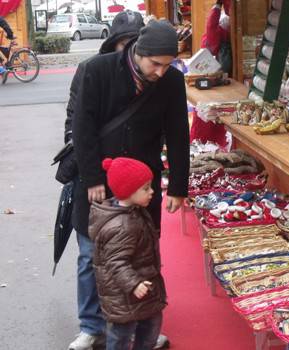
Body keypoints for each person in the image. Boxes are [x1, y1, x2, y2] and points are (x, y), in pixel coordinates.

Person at [68, 15, 185, 350]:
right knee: (92, 254)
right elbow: (82, 127)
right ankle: (92, 326)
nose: (161, 71)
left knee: (143, 255)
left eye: (168, 64)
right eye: (155, 64)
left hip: (142, 183)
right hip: (98, 179)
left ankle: (142, 324)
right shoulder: (97, 69)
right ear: (139, 52)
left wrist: (179, 185)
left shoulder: (172, 81)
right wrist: (91, 176)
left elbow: (178, 133)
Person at [89, 157, 166, 350]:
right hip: (125, 296)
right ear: (128, 191)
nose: (152, 191)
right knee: (122, 336)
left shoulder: (134, 211)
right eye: (146, 188)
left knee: (150, 326)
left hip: (142, 288)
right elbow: (116, 262)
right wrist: (134, 284)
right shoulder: (123, 225)